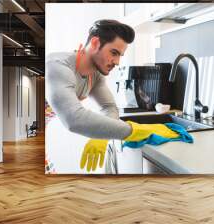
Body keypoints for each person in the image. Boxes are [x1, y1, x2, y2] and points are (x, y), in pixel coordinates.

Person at [46, 20, 178, 172]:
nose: (117, 62)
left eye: (120, 55)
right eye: (114, 53)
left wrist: (102, 137)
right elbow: (74, 119)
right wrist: (137, 130)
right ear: (95, 43)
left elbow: (109, 107)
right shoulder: (57, 65)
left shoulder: (95, 75)